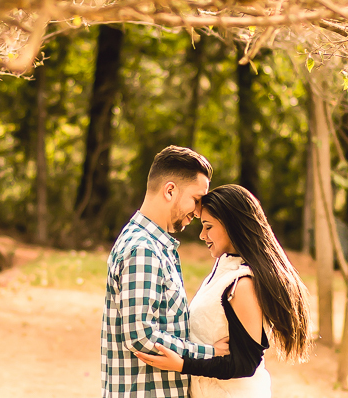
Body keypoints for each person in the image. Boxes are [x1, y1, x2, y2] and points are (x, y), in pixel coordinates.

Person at [134, 184, 312, 398]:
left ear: (231, 225)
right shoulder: (224, 268)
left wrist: (182, 364)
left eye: (208, 227)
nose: (202, 235)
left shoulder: (243, 284)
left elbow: (245, 364)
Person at [101, 146, 228, 398]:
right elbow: (141, 335)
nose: (198, 211)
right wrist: (211, 353)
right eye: (196, 200)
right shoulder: (143, 249)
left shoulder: (156, 246)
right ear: (170, 190)